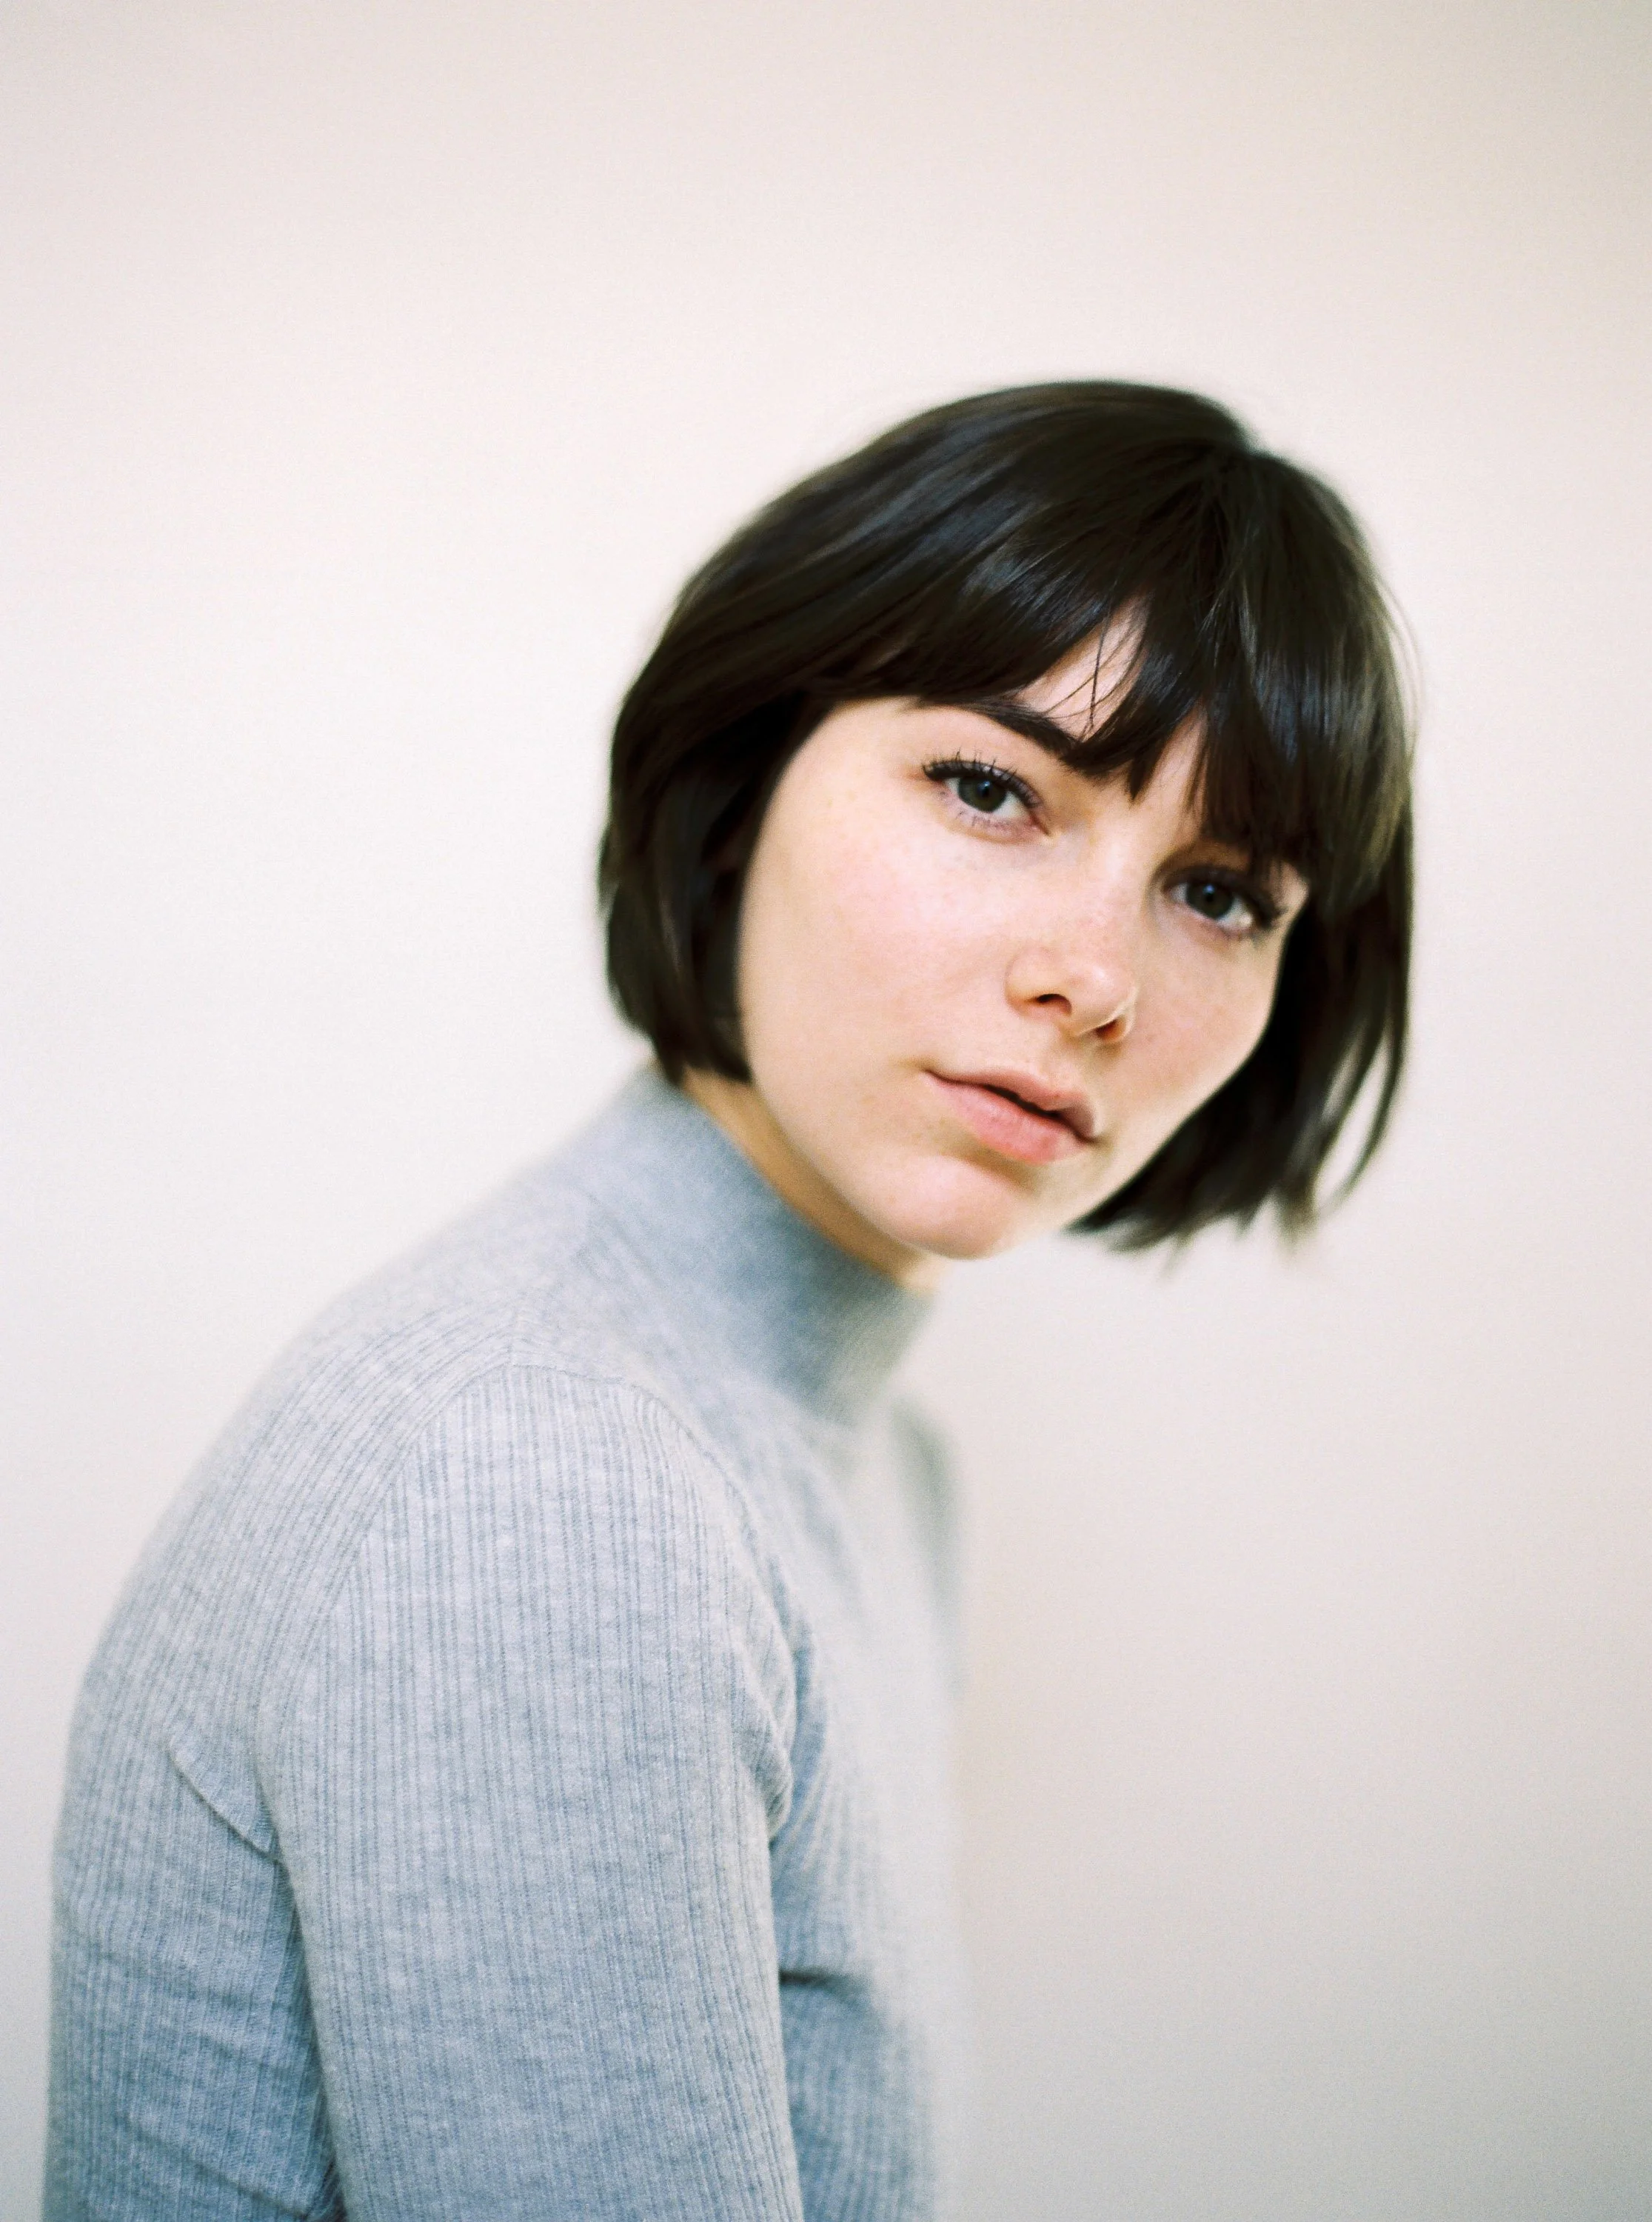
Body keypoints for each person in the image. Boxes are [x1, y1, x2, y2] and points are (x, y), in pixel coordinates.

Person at [45, 382, 1413, 2220]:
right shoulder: (541, 1476)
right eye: (991, 787)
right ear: (741, 780)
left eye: (1218, 892)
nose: (1091, 975)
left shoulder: (872, 1471)